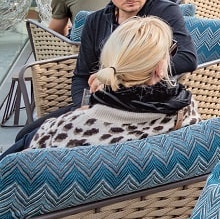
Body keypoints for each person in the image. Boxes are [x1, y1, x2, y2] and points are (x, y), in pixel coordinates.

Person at [29, 16, 200, 149]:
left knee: (24, 137)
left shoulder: (61, 131)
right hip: (165, 193)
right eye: (170, 51)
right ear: (159, 68)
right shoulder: (186, 110)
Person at [72, 0, 197, 107]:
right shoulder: (95, 21)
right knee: (37, 129)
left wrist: (119, 74)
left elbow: (188, 58)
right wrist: (83, 106)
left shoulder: (165, 11)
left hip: (143, 103)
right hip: (99, 103)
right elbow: (81, 76)